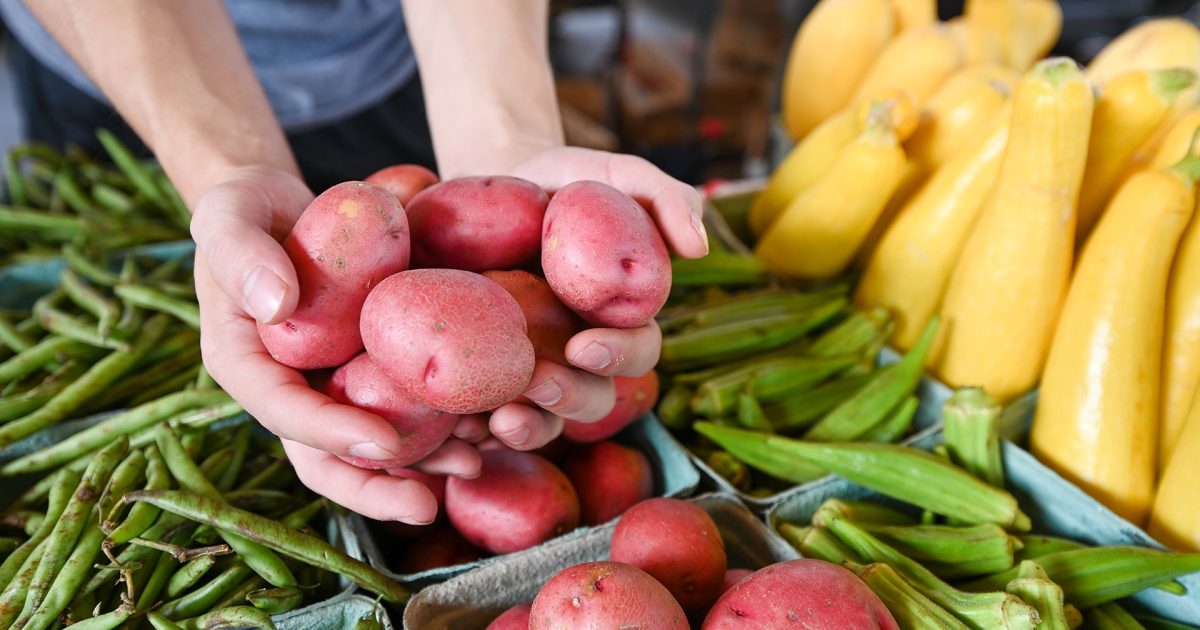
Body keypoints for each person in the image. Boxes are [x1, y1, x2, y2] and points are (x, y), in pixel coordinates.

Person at [2, 1, 708, 524]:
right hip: (130, 57)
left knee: (406, 215)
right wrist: (227, 168)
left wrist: (504, 136)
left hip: (393, 59)